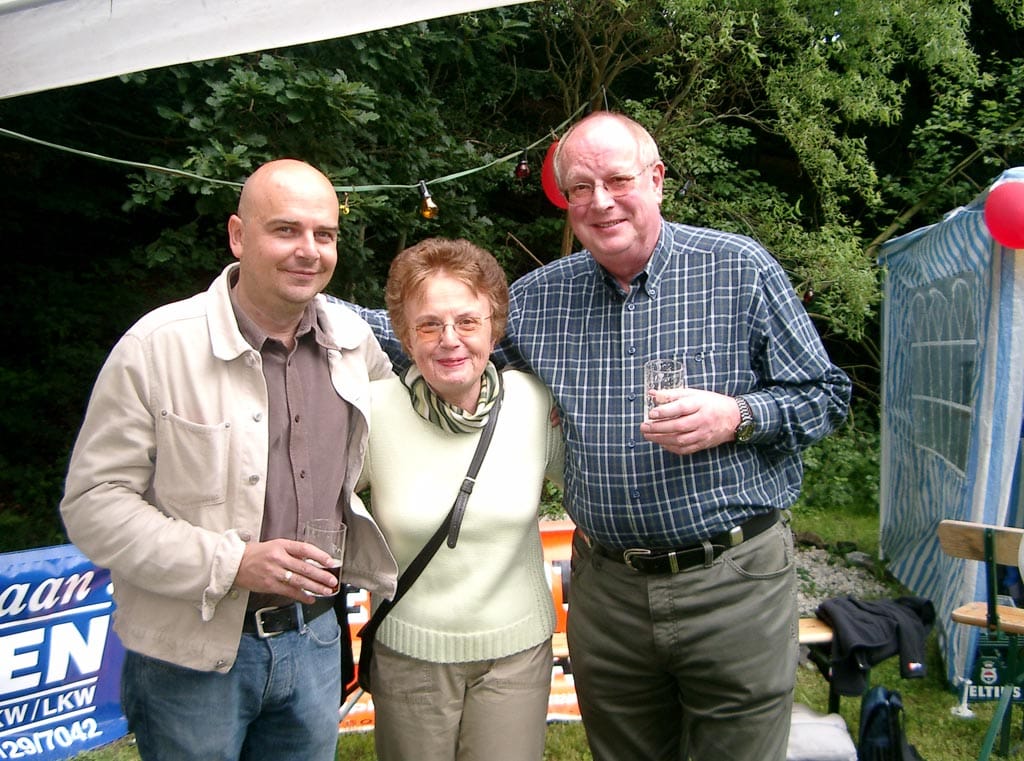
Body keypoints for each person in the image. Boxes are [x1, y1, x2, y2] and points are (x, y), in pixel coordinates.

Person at [346, 112, 852, 761]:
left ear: (657, 179)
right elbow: (449, 337)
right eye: (581, 187)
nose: (601, 200)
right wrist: (301, 301)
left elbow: (826, 395)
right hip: (608, 590)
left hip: (731, 580)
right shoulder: (542, 300)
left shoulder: (738, 270)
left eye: (618, 179)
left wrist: (738, 415)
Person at [59, 158, 399, 761]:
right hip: (189, 658)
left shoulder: (353, 344)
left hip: (317, 639)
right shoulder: (156, 348)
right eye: (286, 230)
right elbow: (93, 505)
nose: (309, 250)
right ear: (238, 235)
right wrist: (232, 563)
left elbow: (406, 431)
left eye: (324, 234)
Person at [357, 237, 564, 761]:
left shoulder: (535, 402)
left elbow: (599, 482)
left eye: (468, 322)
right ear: (405, 336)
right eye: (429, 325)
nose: (450, 340)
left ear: (494, 328)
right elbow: (313, 497)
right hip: (409, 654)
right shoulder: (371, 411)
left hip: (516, 655)